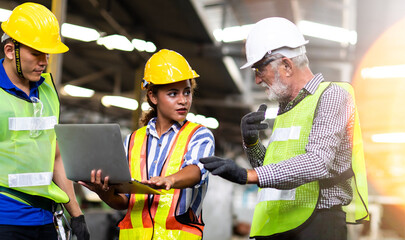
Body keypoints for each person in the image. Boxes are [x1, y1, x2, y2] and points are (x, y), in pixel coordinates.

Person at [200, 17, 369, 240]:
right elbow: (271, 169)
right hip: (280, 224)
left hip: (318, 225)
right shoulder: (285, 109)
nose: (258, 79)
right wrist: (252, 144)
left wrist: (247, 175)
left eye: (260, 69)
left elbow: (317, 162)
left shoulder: (332, 96)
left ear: (287, 65)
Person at [80, 49, 214, 240]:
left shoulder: (199, 135)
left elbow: (196, 170)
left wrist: (170, 180)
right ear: (153, 96)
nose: (183, 100)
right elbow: (125, 200)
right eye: (173, 93)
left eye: (187, 92)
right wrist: (105, 194)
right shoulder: (133, 140)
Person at [0, 3, 89, 240]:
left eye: (47, 53)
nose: (44, 61)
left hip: (45, 219)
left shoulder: (48, 91)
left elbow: (56, 157)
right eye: (36, 53)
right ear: (10, 50)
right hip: (5, 220)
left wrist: (76, 214)